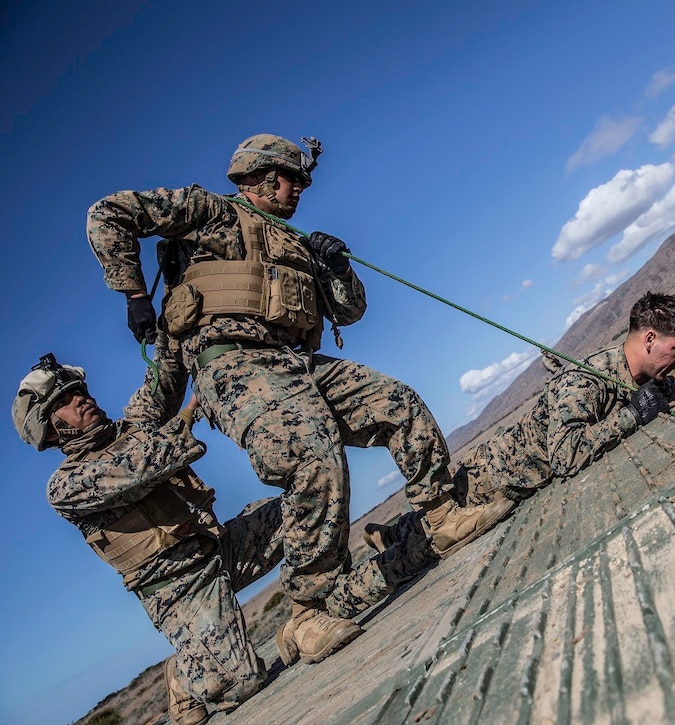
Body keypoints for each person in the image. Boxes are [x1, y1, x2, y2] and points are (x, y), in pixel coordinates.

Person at [85, 134, 514, 664]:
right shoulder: (209, 213)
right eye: (293, 180)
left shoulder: (295, 242)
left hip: (295, 362)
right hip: (233, 364)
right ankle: (307, 614)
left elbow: (349, 312)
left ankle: (442, 514)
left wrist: (336, 267)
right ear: (264, 176)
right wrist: (132, 294)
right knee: (311, 452)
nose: (300, 191)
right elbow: (108, 214)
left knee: (397, 404)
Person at [12, 350, 283, 725]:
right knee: (242, 682)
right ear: (51, 427)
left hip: (217, 547)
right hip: (177, 590)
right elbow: (140, 468)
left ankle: (309, 610)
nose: (82, 399)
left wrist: (174, 331)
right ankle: (185, 676)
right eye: (64, 401)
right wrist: (186, 415)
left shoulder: (134, 426)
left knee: (306, 507)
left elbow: (163, 379)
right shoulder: (65, 486)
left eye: (80, 391)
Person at [367, 292, 675, 550]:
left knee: (413, 534)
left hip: (517, 484)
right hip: (489, 482)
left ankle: (389, 532)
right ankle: (373, 547)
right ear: (651, 339)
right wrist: (632, 415)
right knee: (416, 547)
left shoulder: (656, 378)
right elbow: (566, 457)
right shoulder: (585, 381)